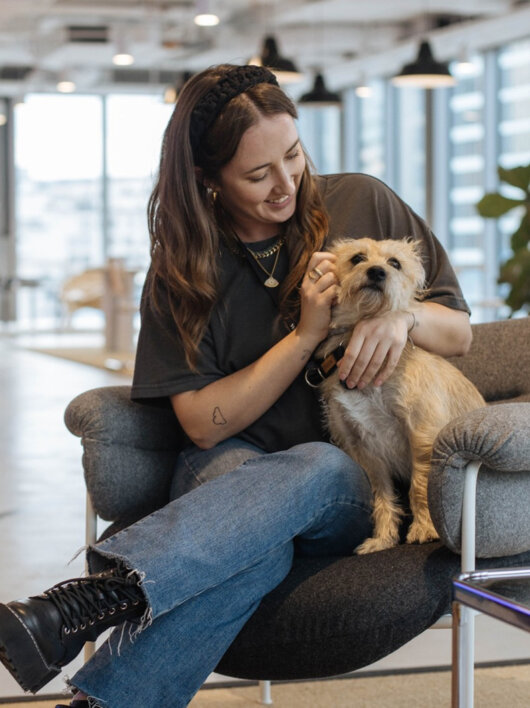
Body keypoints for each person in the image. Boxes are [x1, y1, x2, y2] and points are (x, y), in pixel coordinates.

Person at [0, 64, 472, 708]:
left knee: (313, 465)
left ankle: (88, 601)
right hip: (226, 467)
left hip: (343, 484)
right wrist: (305, 336)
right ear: (207, 178)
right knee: (254, 541)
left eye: (294, 155)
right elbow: (201, 423)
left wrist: (405, 317)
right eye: (258, 174)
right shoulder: (181, 269)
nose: (287, 184)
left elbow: (461, 332)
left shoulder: (364, 200)